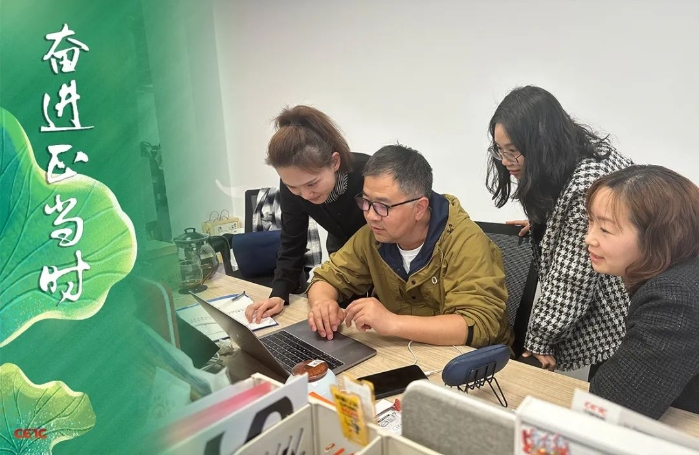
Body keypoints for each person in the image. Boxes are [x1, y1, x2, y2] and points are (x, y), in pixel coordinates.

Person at [485, 85, 633, 372]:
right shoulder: (579, 155)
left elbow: (572, 279)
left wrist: (539, 341)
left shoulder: (586, 187)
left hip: (625, 313)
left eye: (513, 151)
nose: (504, 161)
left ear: (541, 143)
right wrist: (549, 224)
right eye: (500, 150)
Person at [307, 144, 512, 347]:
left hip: (470, 359)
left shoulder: (465, 241)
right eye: (365, 201)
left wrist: (392, 323)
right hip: (404, 351)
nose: (370, 215)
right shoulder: (373, 236)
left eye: (382, 206)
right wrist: (322, 303)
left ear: (419, 208)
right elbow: (327, 278)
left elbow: (478, 325)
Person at [586, 165, 699, 418]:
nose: (589, 239)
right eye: (590, 222)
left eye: (605, 229)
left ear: (659, 235)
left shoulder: (675, 297)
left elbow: (611, 406)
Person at [245, 105, 369, 323]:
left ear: (334, 162)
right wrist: (279, 294)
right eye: (293, 187)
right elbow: (292, 241)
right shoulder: (294, 186)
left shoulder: (368, 173)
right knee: (341, 319)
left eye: (312, 183)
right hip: (342, 254)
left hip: (383, 252)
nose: (304, 195)